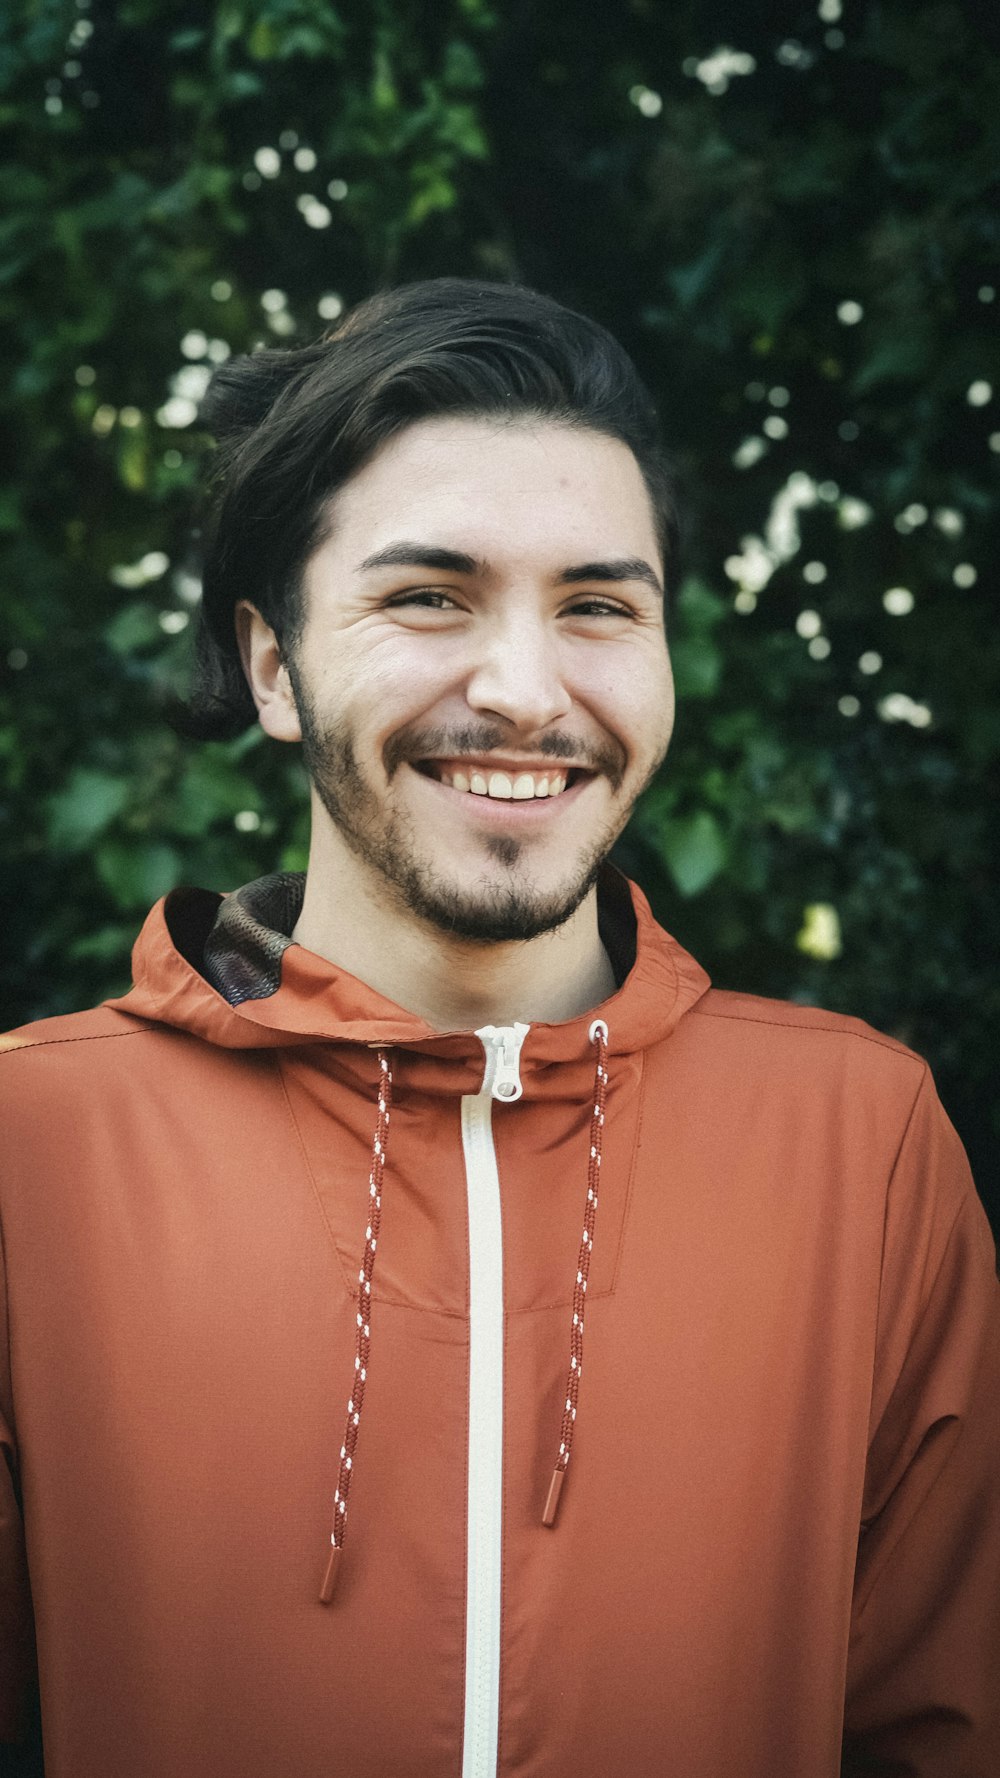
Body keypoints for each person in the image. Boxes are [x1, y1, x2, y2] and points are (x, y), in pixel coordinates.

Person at [1, 280, 997, 1778]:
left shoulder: (865, 1139)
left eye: (599, 606)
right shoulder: (34, 1150)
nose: (526, 689)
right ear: (274, 665)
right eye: (429, 596)